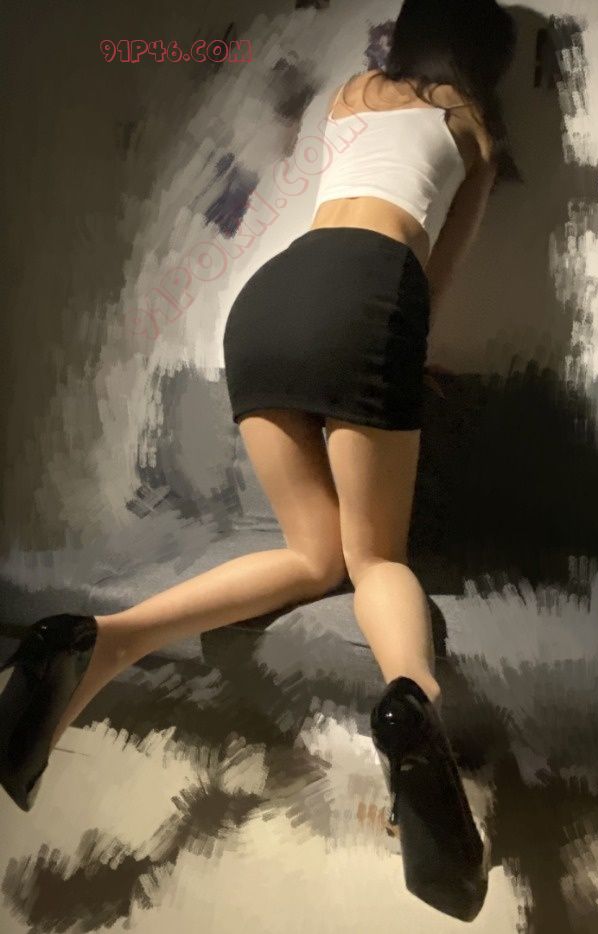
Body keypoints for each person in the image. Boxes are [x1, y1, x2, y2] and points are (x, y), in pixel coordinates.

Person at [0, 0, 516, 920]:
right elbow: (428, 277)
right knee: (377, 559)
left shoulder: (354, 92)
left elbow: (347, 197)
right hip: (371, 288)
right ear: (483, 52)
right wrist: (400, 349)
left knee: (314, 556)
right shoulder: (473, 124)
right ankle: (413, 708)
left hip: (269, 300)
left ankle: (96, 642)